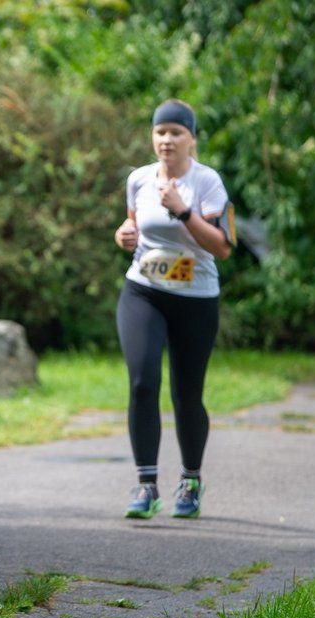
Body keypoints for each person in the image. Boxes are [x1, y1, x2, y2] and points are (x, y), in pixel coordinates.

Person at [113, 99, 235, 520]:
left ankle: (190, 481)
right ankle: (146, 486)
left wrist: (182, 211)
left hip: (196, 299)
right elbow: (132, 226)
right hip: (144, 291)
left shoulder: (208, 182)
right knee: (143, 383)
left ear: (191, 140)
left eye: (176, 133)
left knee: (187, 396)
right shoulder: (139, 179)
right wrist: (123, 236)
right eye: (160, 132)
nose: (167, 140)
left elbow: (222, 247)